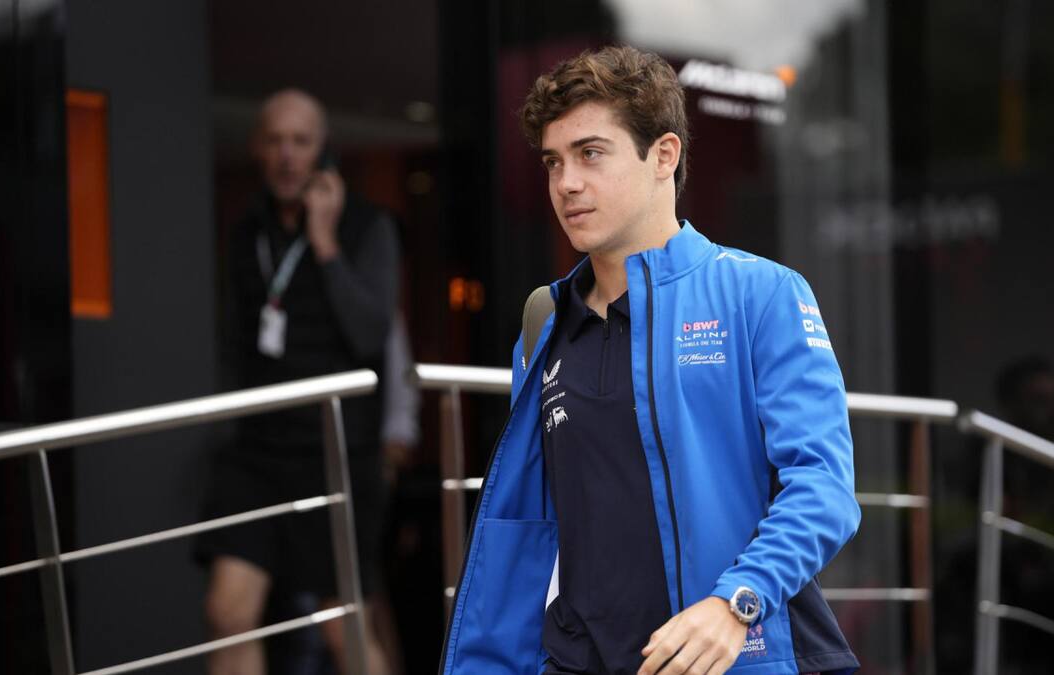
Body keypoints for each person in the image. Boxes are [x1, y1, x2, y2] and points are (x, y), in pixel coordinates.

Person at [439, 46, 860, 675]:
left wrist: (735, 604)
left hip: (728, 656)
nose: (566, 183)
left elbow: (824, 488)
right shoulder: (542, 329)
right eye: (554, 162)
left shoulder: (760, 293)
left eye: (590, 154)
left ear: (663, 155)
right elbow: (529, 528)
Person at [194, 88, 396, 674]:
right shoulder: (246, 230)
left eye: (300, 142)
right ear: (258, 148)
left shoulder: (367, 226)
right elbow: (236, 344)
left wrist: (325, 240)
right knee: (227, 612)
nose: (287, 155)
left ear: (322, 151)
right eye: (275, 141)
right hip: (258, 452)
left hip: (335, 452)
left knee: (342, 631)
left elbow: (370, 334)